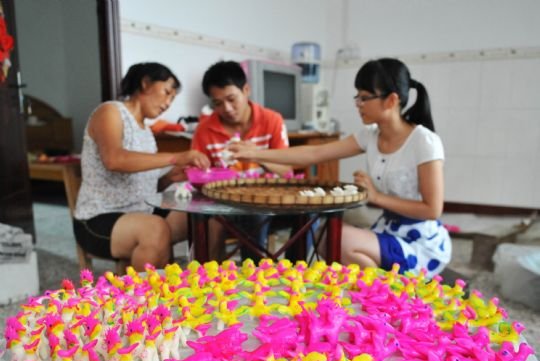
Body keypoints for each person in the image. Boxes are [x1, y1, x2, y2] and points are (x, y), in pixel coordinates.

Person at [230, 58, 451, 278]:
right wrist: (255, 153)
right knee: (326, 239)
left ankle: (390, 289)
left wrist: (376, 197)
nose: (358, 104)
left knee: (340, 240)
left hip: (420, 241)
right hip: (388, 229)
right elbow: (315, 153)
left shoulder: (424, 141)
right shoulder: (370, 135)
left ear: (391, 100)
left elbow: (432, 210)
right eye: (357, 97)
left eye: (365, 97)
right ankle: (385, 286)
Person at [73, 62, 210, 271]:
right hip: (97, 218)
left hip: (141, 211)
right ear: (145, 83)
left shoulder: (146, 132)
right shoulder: (110, 111)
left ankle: (208, 281)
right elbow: (114, 160)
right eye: (166, 92)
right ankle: (141, 292)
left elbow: (144, 186)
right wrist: (175, 157)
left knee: (202, 217)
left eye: (172, 98)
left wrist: (172, 177)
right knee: (155, 229)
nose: (168, 103)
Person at [191, 60, 292, 261]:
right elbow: (199, 176)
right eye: (217, 103)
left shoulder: (272, 120)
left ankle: (274, 271)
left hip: (268, 201)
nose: (227, 108)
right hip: (225, 204)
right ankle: (213, 275)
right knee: (210, 222)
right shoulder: (204, 130)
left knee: (304, 217)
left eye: (231, 99)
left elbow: (286, 171)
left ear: (246, 90)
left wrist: (257, 155)